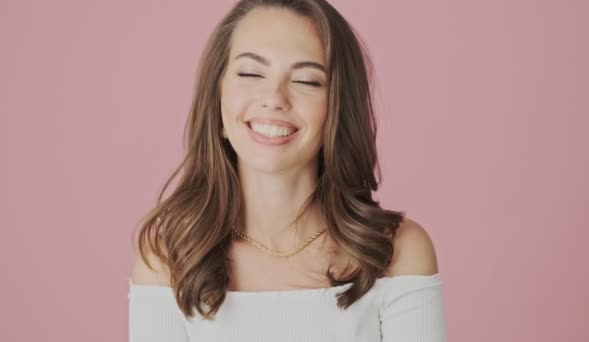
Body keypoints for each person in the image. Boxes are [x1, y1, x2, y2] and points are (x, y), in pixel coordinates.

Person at [128, 0, 447, 341]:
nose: (274, 98)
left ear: (337, 108)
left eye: (307, 81)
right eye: (250, 73)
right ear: (217, 96)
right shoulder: (169, 258)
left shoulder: (398, 252)